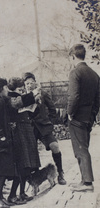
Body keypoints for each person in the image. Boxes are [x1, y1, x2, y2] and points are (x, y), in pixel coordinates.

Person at [0, 78, 40, 208]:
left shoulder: (1, 100)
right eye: (6, 88)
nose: (8, 91)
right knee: (4, 169)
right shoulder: (1, 101)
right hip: (5, 138)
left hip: (9, 136)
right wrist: (1, 137)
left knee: (9, 168)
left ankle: (3, 197)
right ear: (2, 89)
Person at [23, 72, 67, 185]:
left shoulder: (42, 93)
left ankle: (60, 173)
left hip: (43, 126)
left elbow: (52, 109)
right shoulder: (22, 96)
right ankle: (34, 179)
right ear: (24, 85)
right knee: (32, 153)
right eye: (27, 83)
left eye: (31, 83)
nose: (29, 85)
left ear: (35, 83)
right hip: (30, 128)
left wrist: (50, 122)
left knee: (55, 146)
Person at [67, 44, 100, 192]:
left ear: (73, 56)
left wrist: (70, 113)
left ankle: (87, 183)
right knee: (83, 147)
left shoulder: (75, 73)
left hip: (77, 117)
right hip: (88, 117)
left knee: (81, 150)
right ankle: (84, 180)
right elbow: (98, 99)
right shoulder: (94, 74)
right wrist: (92, 115)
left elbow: (73, 97)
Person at [7, 77, 41, 204]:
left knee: (27, 164)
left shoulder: (21, 97)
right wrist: (31, 95)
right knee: (22, 163)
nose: (21, 90)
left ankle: (22, 192)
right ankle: (13, 195)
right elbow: (16, 104)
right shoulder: (11, 97)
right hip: (19, 132)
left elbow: (31, 113)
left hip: (26, 131)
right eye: (19, 88)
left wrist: (35, 103)